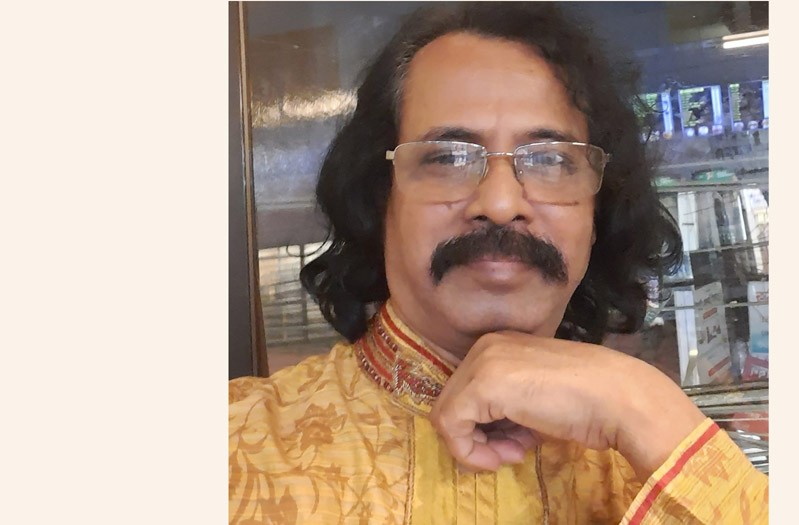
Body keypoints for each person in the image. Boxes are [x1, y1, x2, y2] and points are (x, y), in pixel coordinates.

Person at [229, 3, 768, 523]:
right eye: (447, 157)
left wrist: (642, 404)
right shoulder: (235, 451)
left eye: (551, 160)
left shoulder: (656, 459)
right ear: (379, 197)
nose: (502, 203)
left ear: (598, 211)